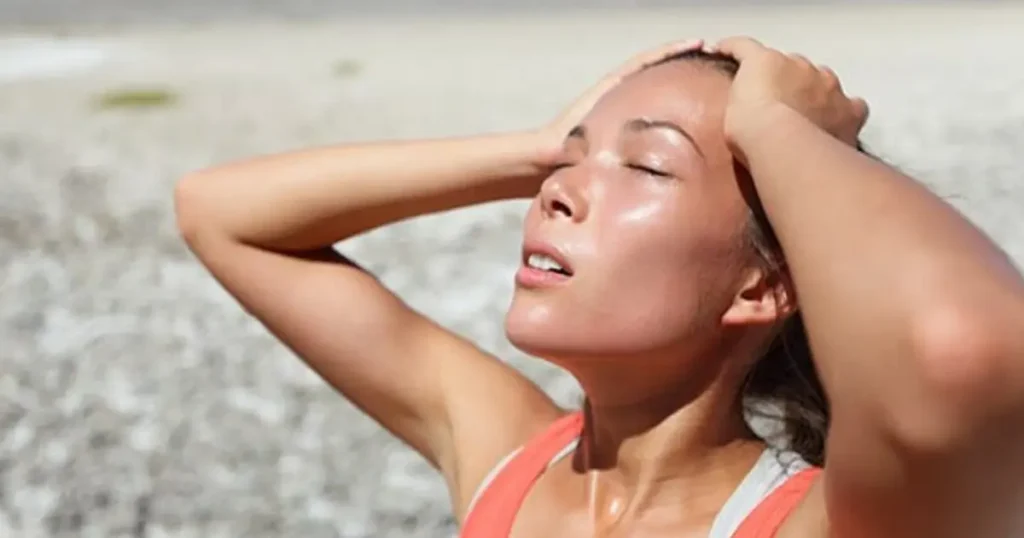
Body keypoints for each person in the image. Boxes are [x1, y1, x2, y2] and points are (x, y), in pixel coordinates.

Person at [173, 36, 1024, 537]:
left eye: (647, 165)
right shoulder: (513, 463)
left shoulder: (821, 520)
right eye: (570, 164)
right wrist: (535, 150)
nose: (559, 191)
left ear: (761, 287)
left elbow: (964, 347)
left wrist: (784, 129)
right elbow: (218, 213)